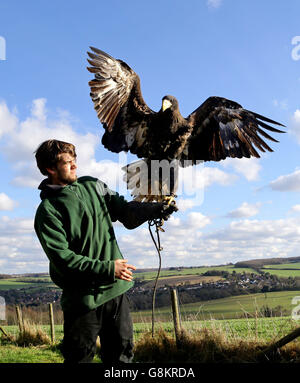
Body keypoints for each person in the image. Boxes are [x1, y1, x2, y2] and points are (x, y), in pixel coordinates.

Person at [33, 139, 177, 363]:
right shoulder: (48, 211)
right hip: (83, 300)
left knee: (122, 358)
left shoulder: (93, 185)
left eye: (75, 161)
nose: (75, 166)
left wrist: (155, 209)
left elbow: (126, 213)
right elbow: (63, 260)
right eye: (68, 163)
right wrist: (109, 268)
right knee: (79, 359)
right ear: (51, 168)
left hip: (116, 292)